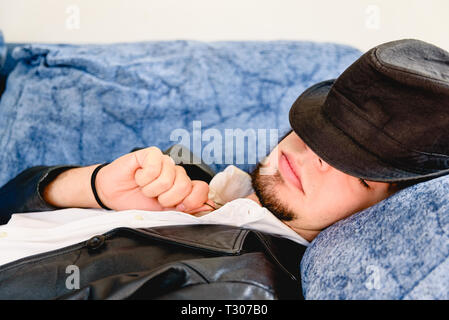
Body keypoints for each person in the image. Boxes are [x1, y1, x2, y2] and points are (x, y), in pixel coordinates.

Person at [1, 39, 448, 270]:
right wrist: (91, 186)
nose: (317, 154)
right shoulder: (177, 169)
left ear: (381, 212)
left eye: (358, 170)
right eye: (322, 129)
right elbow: (8, 201)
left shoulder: (246, 288)